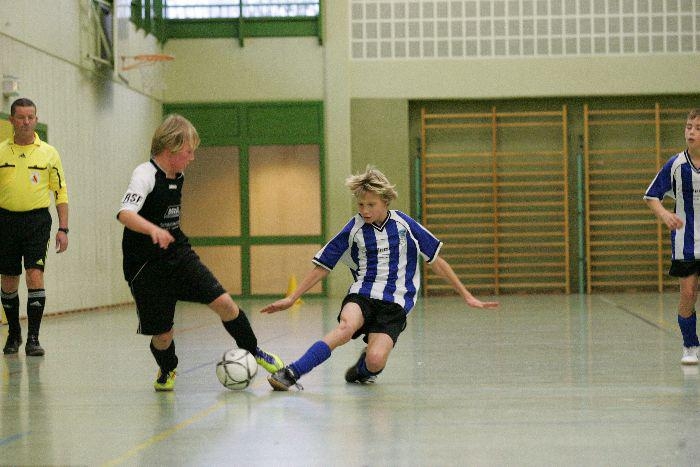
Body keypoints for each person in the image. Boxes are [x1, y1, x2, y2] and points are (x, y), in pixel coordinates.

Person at [261, 166, 499, 390]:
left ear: (386, 201)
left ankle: (364, 369)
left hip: (395, 303)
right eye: (361, 204)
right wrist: (292, 298)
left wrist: (466, 296)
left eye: (371, 205)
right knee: (345, 328)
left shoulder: (404, 225)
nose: (365, 210)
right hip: (363, 294)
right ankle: (292, 372)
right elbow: (322, 267)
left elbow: (436, 262)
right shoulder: (353, 229)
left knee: (375, 360)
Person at [117, 114, 283, 391]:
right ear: (171, 147)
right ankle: (168, 368)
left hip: (177, 253)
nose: (192, 157)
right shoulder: (144, 174)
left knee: (225, 304)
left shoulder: (178, 175)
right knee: (162, 334)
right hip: (145, 265)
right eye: (189, 151)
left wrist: (166, 234)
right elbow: (125, 214)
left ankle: (255, 352)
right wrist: (152, 230)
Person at [0, 98, 69, 357]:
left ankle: (33, 338)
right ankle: (14, 332)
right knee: (8, 280)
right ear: (12, 120)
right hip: (5, 221)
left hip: (37, 221)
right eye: (21, 117)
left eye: (31, 117)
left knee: (34, 274)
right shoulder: (1, 151)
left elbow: (60, 192)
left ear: (36, 120)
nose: (26, 122)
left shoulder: (49, 153)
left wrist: (64, 228)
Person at [645, 108, 700, 365]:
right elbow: (651, 195)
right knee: (688, 293)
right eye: (689, 126)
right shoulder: (676, 165)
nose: (691, 132)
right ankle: (690, 346)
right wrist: (665, 215)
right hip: (686, 242)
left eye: (698, 128)